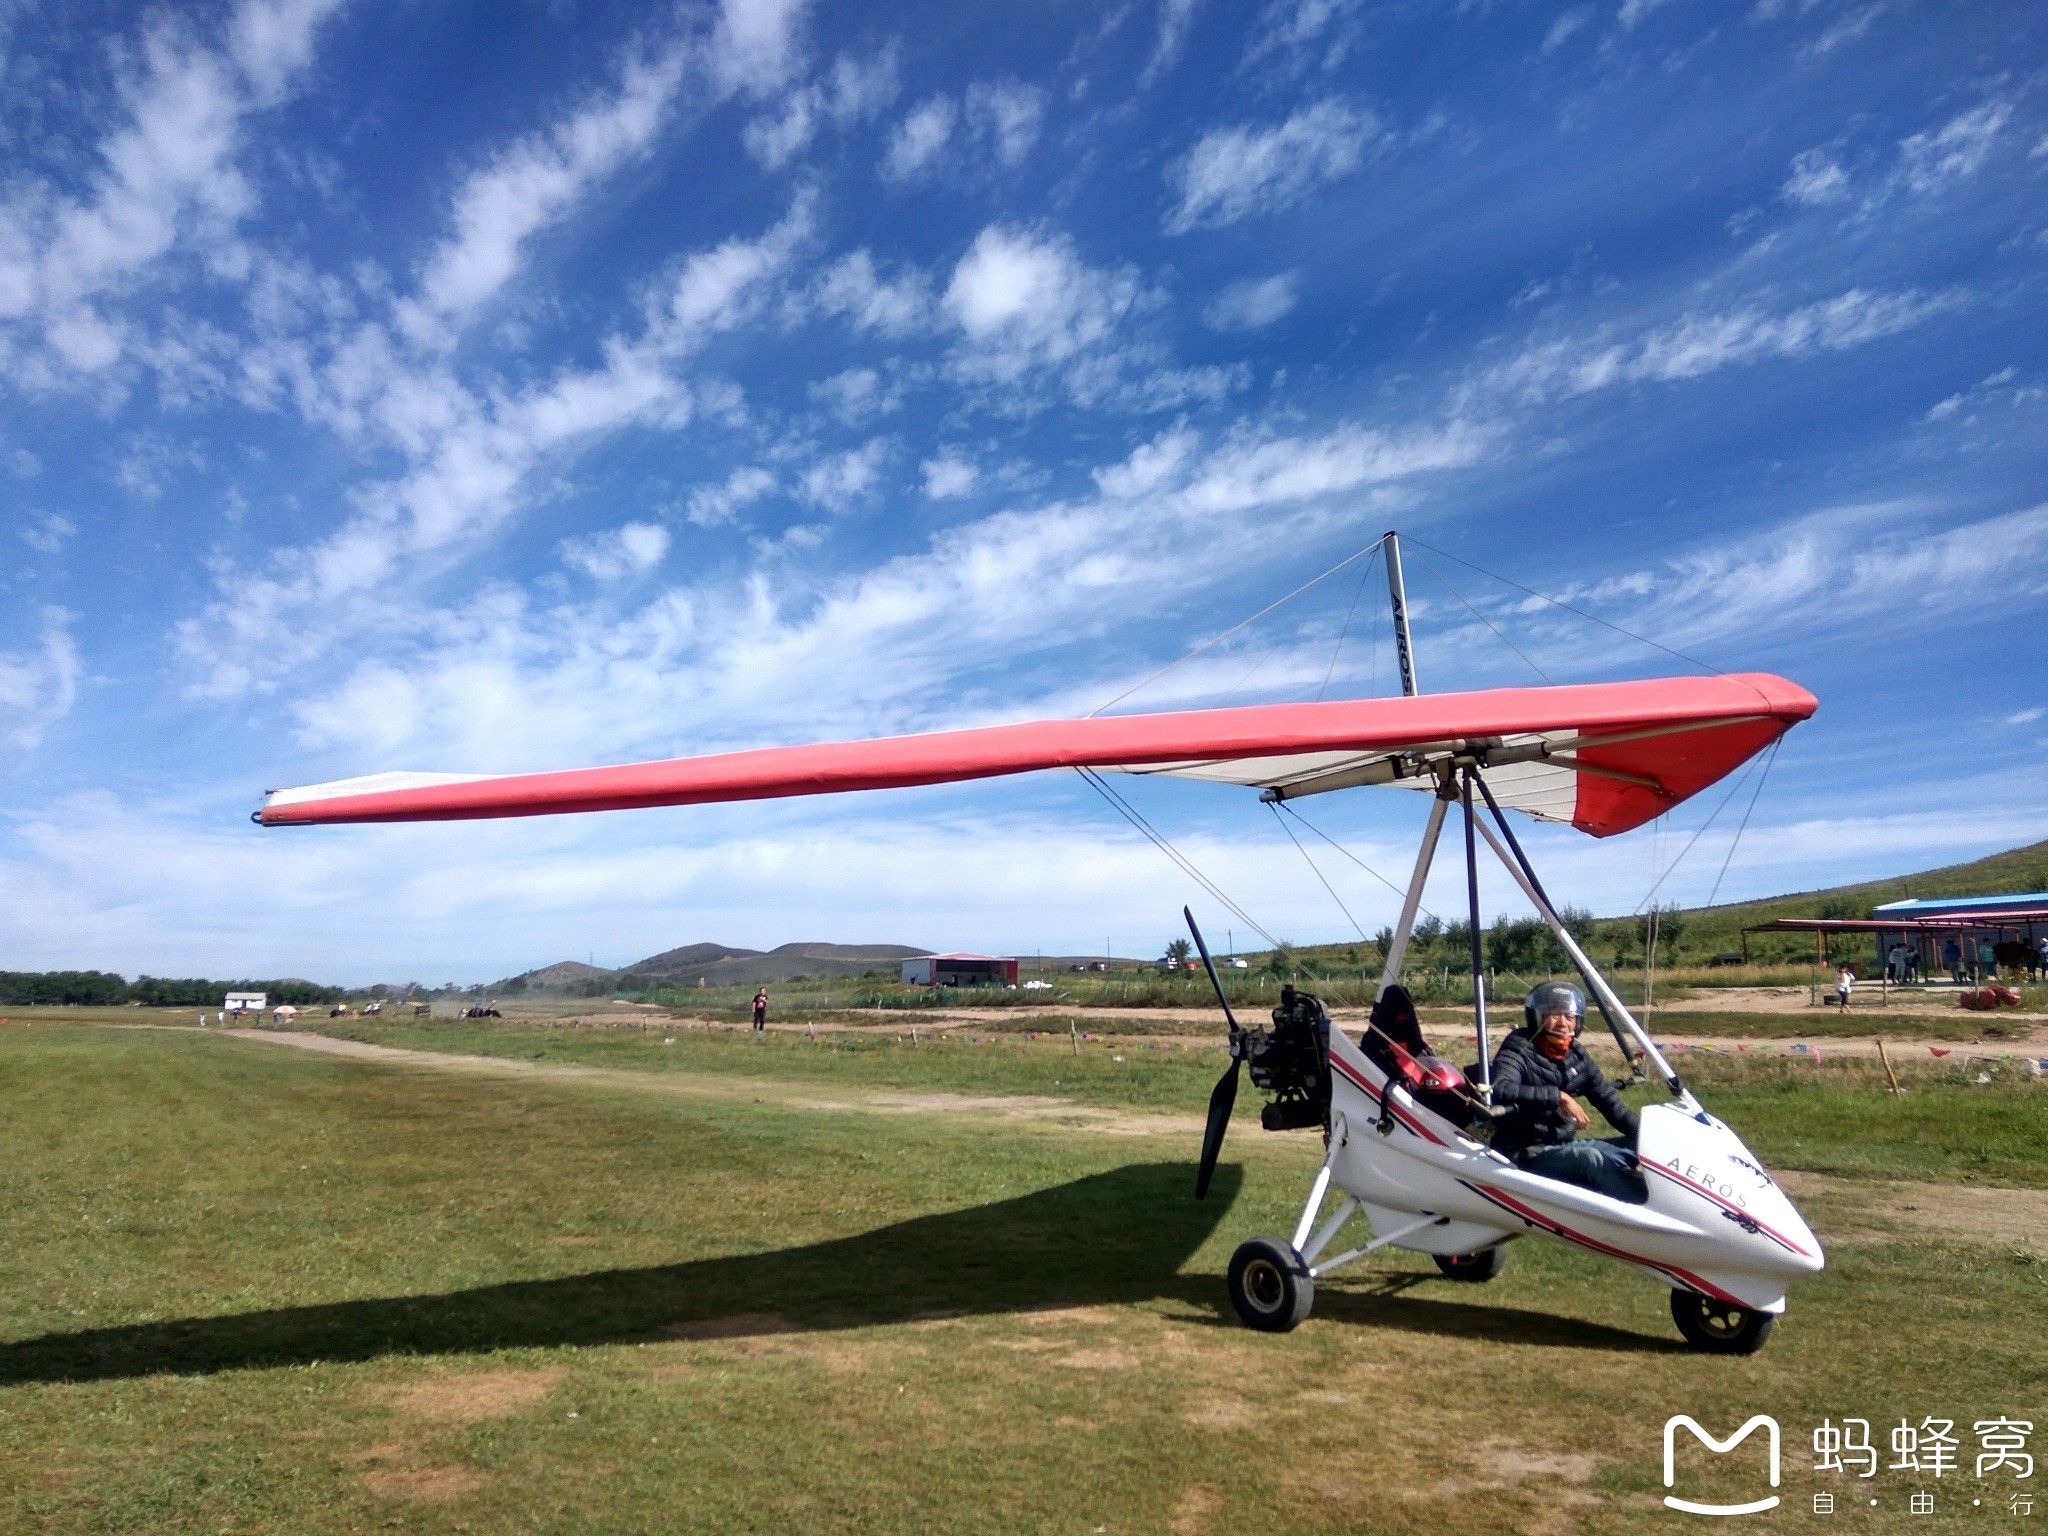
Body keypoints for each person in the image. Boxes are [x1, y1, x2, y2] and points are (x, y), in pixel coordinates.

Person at [1489, 982, 1645, 1204]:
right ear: (1537, 1017)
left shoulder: (1577, 1055)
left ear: (1578, 1021)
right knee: (1592, 1159)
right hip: (1526, 1152)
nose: (1562, 1022)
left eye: (1569, 1015)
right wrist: (1559, 1097)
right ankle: (1641, 1209)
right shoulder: (1519, 1046)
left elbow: (1612, 1105)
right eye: (1553, 1013)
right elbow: (1502, 1087)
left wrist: (1648, 1138)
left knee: (1642, 1147)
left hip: (1563, 1145)